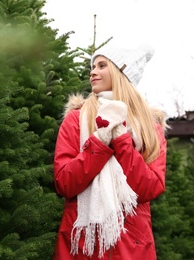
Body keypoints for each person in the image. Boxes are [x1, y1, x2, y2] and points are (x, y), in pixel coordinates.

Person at [52, 44, 168, 259]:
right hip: (82, 243)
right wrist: (100, 141)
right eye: (93, 66)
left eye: (102, 65)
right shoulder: (76, 121)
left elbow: (149, 188)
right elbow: (65, 183)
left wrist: (121, 140)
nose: (93, 71)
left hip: (131, 245)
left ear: (121, 72)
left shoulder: (151, 129)